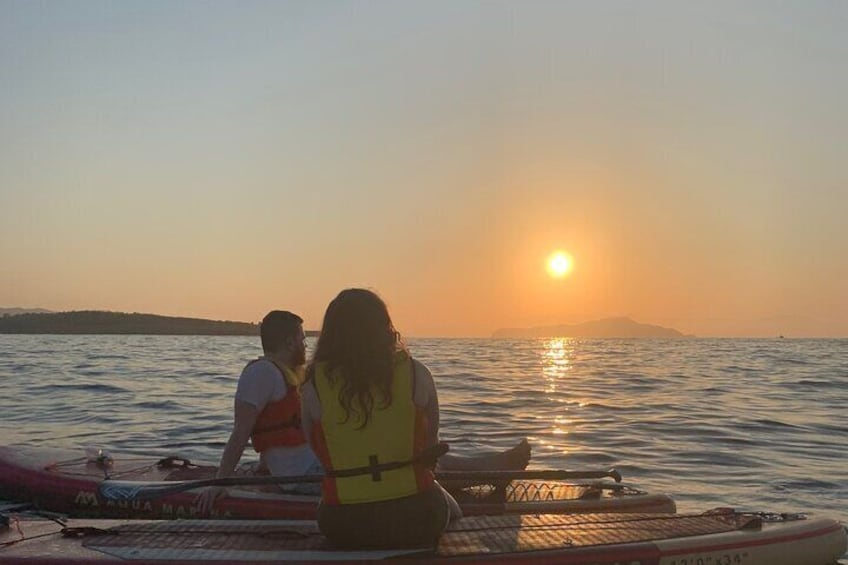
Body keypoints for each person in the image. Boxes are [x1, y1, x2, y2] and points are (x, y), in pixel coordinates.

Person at [301, 288, 496, 549]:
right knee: (453, 508)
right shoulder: (418, 374)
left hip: (342, 524)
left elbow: (318, 452)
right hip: (418, 517)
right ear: (385, 327)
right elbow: (430, 451)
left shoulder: (312, 386)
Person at [196, 310, 322, 514]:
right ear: (290, 343)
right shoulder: (261, 373)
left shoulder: (293, 373)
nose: (306, 346)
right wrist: (220, 483)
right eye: (303, 339)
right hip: (303, 474)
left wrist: (266, 466)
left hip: (312, 463)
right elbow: (240, 433)